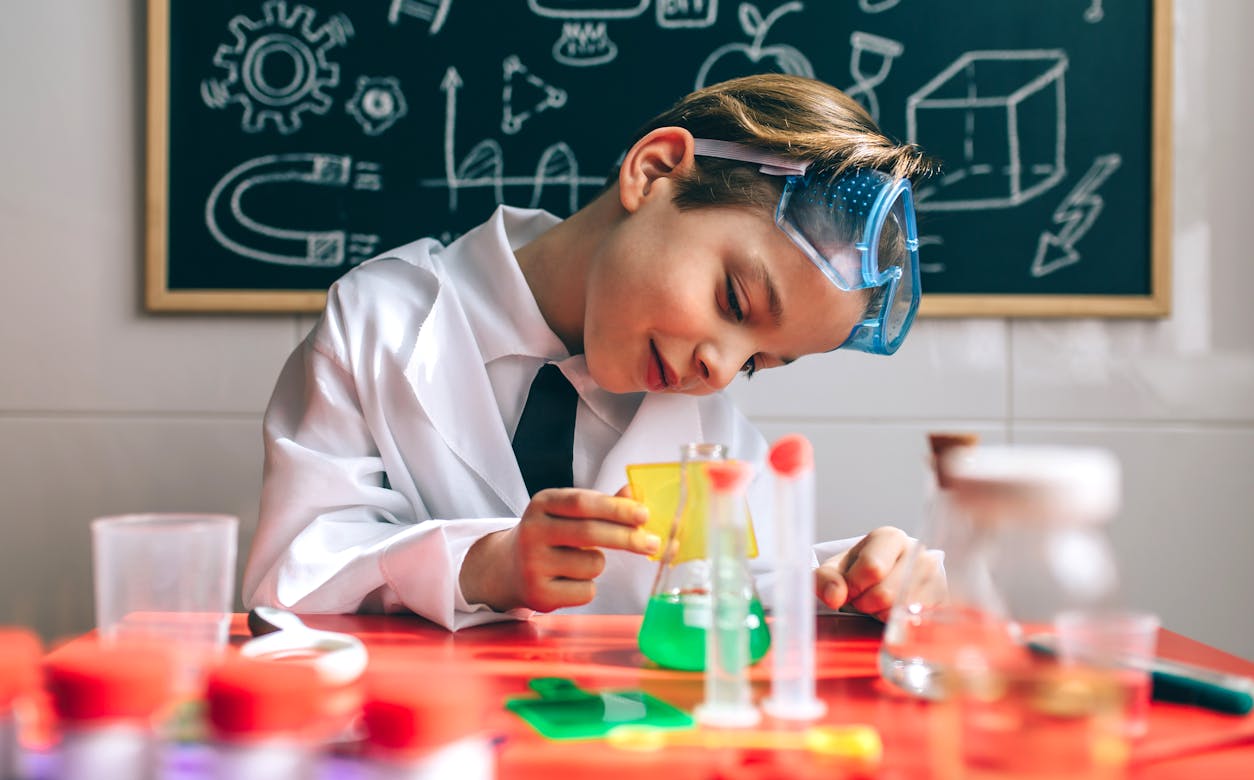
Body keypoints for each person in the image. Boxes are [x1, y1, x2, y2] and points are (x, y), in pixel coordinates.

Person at [243, 74, 947, 630]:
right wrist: (479, 568)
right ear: (655, 169)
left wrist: (857, 583)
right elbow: (288, 582)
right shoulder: (379, 321)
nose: (722, 370)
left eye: (760, 362)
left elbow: (745, 601)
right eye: (734, 301)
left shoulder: (707, 434)